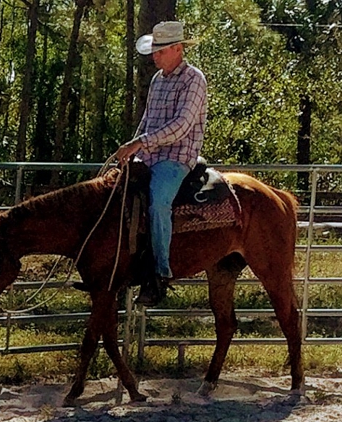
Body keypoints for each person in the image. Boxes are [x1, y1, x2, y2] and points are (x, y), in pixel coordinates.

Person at [114, 21, 207, 307]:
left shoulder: (194, 80)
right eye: (154, 51)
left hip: (178, 156)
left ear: (178, 49)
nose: (156, 56)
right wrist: (133, 146)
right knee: (115, 193)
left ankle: (160, 273)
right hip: (150, 153)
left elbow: (181, 126)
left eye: (161, 51)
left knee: (158, 202)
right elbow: (147, 120)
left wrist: (140, 143)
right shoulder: (158, 81)